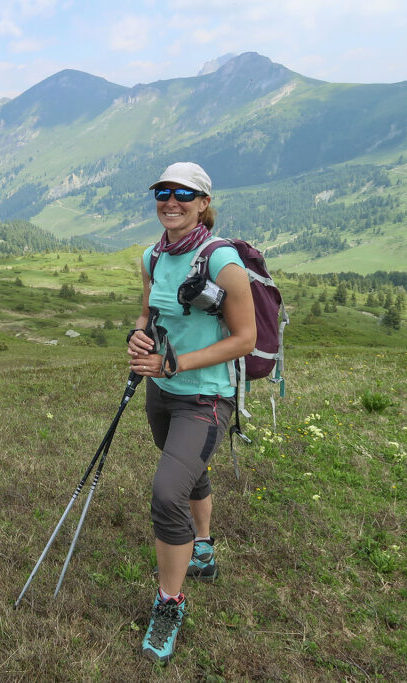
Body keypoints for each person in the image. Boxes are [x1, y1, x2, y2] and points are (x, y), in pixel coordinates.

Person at [127, 162, 256, 664]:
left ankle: (169, 603)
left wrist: (175, 362)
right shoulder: (152, 256)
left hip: (206, 395)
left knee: (166, 493)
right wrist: (140, 336)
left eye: (184, 193)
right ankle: (203, 546)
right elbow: (149, 312)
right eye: (163, 191)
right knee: (188, 471)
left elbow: (247, 339)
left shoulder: (221, 262)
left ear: (203, 202)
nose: (170, 201)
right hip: (161, 390)